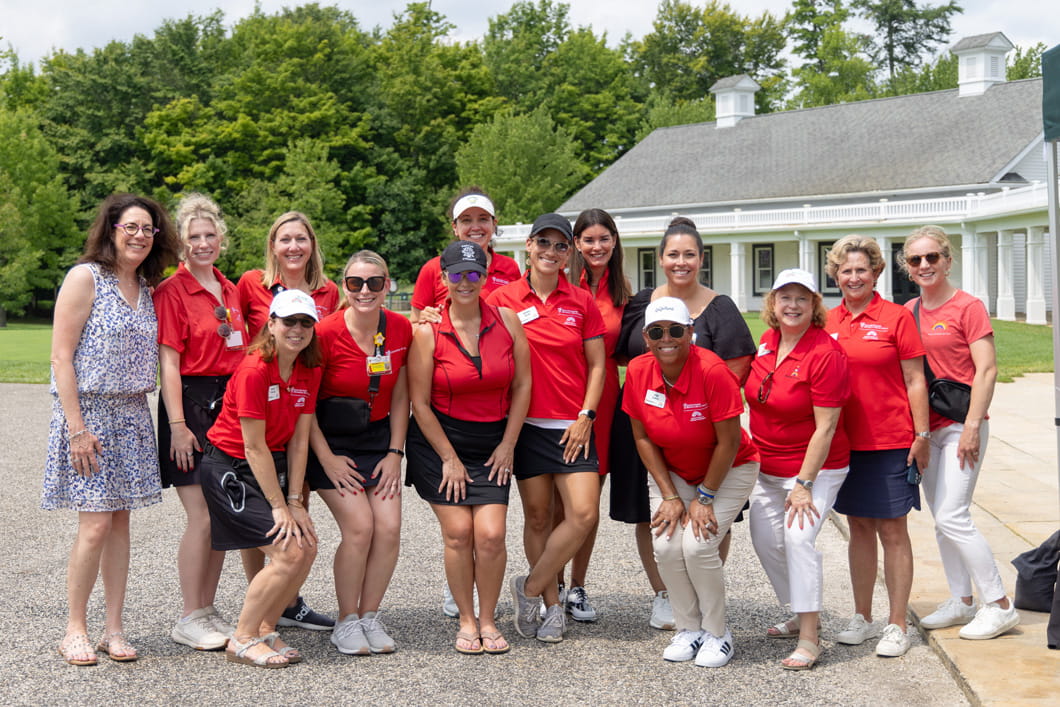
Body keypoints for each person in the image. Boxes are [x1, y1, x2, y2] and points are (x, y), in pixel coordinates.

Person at [44, 193, 180, 665]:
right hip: (90, 416)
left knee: (121, 521)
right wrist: (76, 428)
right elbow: (61, 357)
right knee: (96, 522)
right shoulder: (86, 278)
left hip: (133, 414)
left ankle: (113, 628)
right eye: (132, 227)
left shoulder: (147, 286)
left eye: (149, 229)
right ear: (112, 229)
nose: (140, 235)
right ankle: (74, 629)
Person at [612, 216, 756, 630]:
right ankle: (673, 604)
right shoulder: (642, 307)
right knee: (659, 528)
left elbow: (738, 366)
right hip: (658, 436)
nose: (681, 261)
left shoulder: (718, 314)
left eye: (689, 254)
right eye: (673, 254)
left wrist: (703, 406)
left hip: (712, 442)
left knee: (698, 541)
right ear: (660, 259)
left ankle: (709, 620)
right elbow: (623, 354)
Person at [407, 241, 531, 654]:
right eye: (456, 274)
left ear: (485, 276)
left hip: (493, 444)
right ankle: (465, 619)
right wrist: (449, 459)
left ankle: (489, 619)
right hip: (440, 444)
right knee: (460, 533)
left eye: (473, 273)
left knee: (492, 536)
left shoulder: (509, 321)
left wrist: (509, 444)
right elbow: (419, 404)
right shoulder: (427, 332)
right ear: (442, 278)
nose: (465, 282)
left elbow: (523, 385)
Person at [623, 297, 760, 668]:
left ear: (691, 334)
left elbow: (730, 442)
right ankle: (689, 629)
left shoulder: (713, 371)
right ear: (646, 338)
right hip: (676, 471)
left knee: (698, 547)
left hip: (729, 468)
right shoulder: (637, 371)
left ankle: (718, 633)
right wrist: (669, 494)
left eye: (675, 330)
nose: (666, 338)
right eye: (657, 332)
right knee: (667, 546)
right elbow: (642, 438)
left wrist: (705, 496)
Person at [488, 213, 606, 643]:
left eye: (560, 246)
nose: (550, 252)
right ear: (529, 247)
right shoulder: (503, 298)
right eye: (543, 242)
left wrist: (586, 416)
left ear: (569, 253)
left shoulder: (581, 300)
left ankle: (531, 588)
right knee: (538, 518)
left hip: (574, 426)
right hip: (527, 428)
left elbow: (597, 366)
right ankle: (553, 608)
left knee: (582, 514)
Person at [901, 225, 1019, 640]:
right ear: (908, 268)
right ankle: (961, 600)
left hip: (961, 425)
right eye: (916, 260)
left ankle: (999, 604)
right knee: (941, 519)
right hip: (927, 429)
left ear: (948, 261)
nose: (925, 265)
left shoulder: (968, 307)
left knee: (954, 514)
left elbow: (986, 369)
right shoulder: (910, 309)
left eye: (933, 257)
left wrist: (972, 426)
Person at [200, 289, 322, 668]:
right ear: (271, 325)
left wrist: (297, 502)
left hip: (272, 465)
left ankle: (266, 628)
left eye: (306, 322)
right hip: (230, 468)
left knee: (307, 547)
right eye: (289, 321)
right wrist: (279, 506)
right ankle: (243, 637)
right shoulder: (255, 369)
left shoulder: (308, 370)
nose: (297, 329)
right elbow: (253, 448)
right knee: (288, 552)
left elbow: (300, 441)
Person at [824, 235, 929, 657]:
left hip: (890, 441)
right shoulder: (827, 321)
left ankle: (897, 623)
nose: (853, 277)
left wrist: (922, 435)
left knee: (893, 530)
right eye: (845, 270)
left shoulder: (896, 317)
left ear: (877, 272)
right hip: (845, 444)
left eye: (861, 270)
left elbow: (915, 380)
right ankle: (863, 617)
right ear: (835, 275)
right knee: (859, 529)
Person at [744, 268, 850, 671]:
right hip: (767, 468)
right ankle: (800, 610)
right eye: (784, 297)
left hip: (814, 471)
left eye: (801, 298)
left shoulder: (825, 353)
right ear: (772, 303)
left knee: (798, 539)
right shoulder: (767, 342)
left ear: (814, 306)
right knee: (765, 540)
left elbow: (827, 427)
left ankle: (810, 636)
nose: (792, 305)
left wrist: (804, 484)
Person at [154, 193, 248, 651]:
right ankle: (190, 613)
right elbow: (169, 364)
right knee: (201, 516)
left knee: (219, 512)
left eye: (210, 234)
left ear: (222, 239)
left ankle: (207, 610)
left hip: (228, 403)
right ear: (181, 243)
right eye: (194, 237)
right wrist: (176, 425)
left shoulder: (229, 290)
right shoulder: (172, 291)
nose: (203, 242)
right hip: (189, 406)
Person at [236, 211, 338, 630]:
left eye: (301, 238)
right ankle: (263, 607)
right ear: (273, 245)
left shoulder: (330, 291)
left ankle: (285, 601)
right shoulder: (251, 284)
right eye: (285, 239)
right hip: (260, 402)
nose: (293, 246)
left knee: (299, 502)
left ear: (312, 244)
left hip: (308, 403)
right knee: (261, 518)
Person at [307, 251, 411, 656]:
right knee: (360, 527)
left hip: (380, 441)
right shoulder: (325, 332)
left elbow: (401, 393)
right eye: (355, 283)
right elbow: (306, 407)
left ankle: (370, 615)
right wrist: (328, 459)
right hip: (331, 444)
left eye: (373, 282)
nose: (364, 291)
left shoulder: (400, 328)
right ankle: (346, 620)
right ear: (344, 285)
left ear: (387, 285)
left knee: (388, 528)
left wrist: (395, 452)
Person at [545, 208, 631, 622]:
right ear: (575, 245)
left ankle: (577, 586)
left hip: (603, 401)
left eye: (604, 238)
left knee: (586, 502)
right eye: (588, 240)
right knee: (554, 504)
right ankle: (552, 585)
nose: (597, 247)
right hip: (557, 394)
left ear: (614, 242)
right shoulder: (563, 285)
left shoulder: (626, 296)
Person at [409, 187, 521, 324]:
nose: (475, 227)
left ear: (494, 224)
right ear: (455, 227)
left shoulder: (509, 267)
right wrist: (423, 318)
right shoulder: (433, 268)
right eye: (466, 220)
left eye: (483, 219)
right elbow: (413, 324)